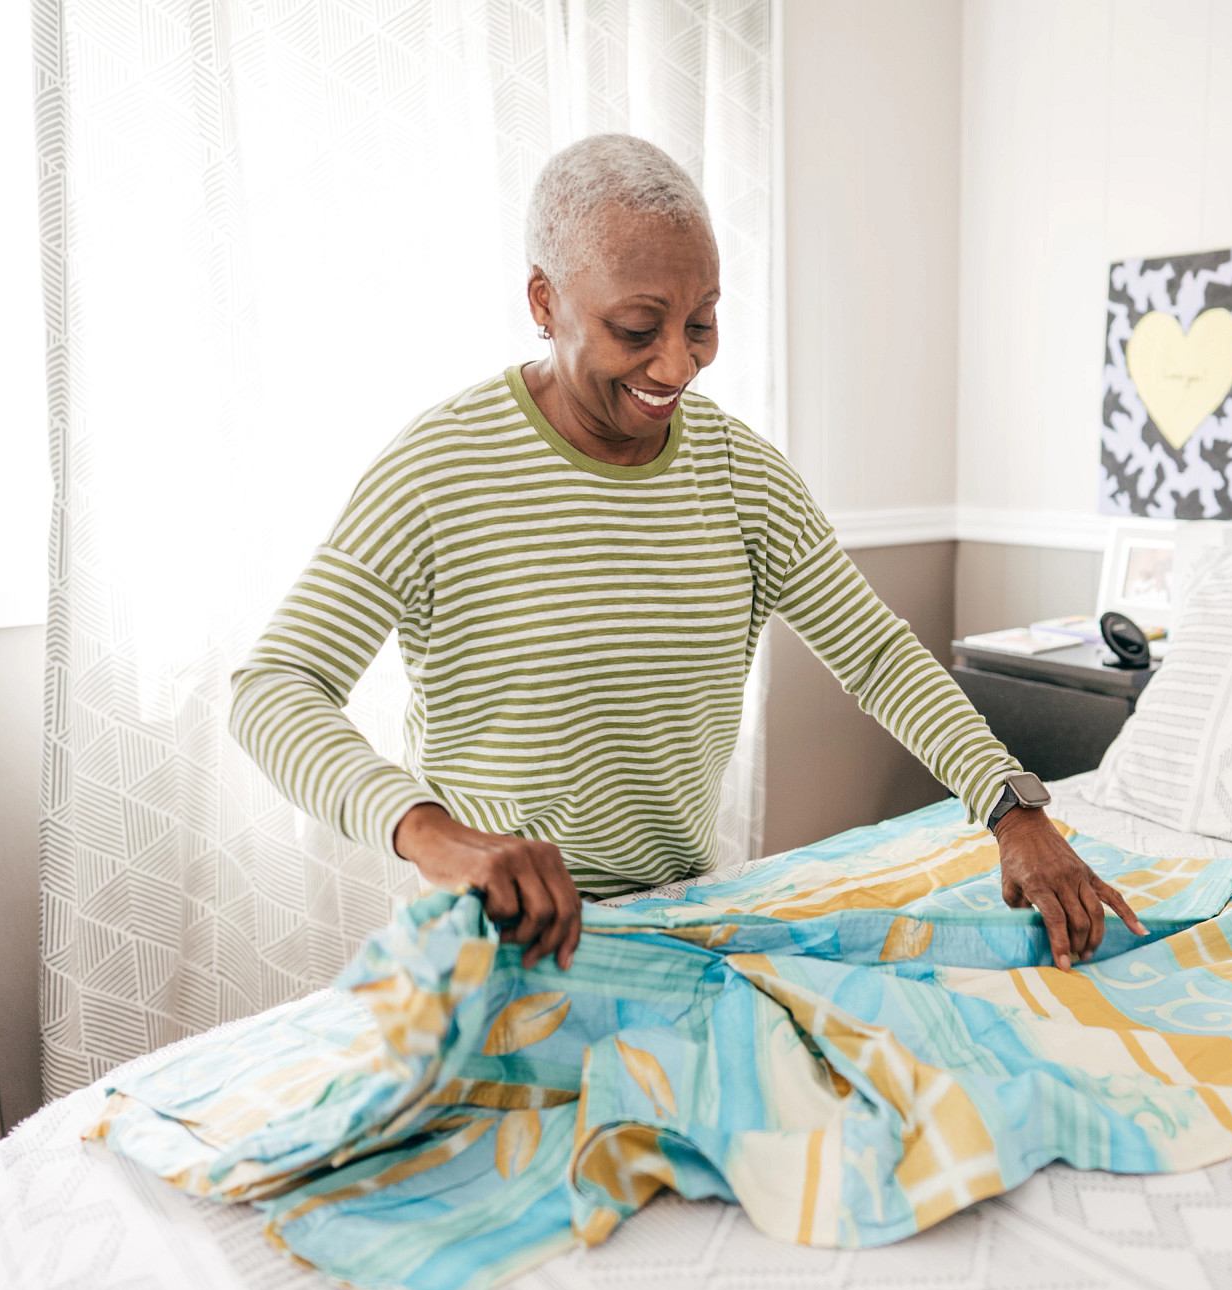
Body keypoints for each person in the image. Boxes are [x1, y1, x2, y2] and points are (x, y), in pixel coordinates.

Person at [232, 133, 1136, 975]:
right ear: (544, 302)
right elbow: (274, 690)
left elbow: (876, 655)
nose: (677, 365)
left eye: (701, 322)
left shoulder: (738, 471)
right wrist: (432, 832)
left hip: (682, 919)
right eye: (638, 328)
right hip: (498, 940)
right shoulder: (439, 468)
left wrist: (1013, 808)